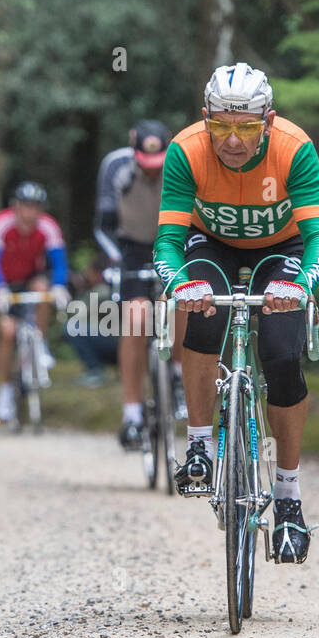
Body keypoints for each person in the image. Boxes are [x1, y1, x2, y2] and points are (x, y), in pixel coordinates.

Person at [154, 62, 319, 564]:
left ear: (269, 122)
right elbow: (168, 243)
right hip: (210, 244)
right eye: (221, 126)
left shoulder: (294, 149)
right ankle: (199, 446)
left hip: (282, 250)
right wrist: (179, 283)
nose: (232, 141)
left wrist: (298, 285)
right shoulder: (185, 150)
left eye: (247, 127)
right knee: (204, 312)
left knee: (280, 355)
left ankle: (289, 498)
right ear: (205, 117)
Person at [95, 119, 187, 450]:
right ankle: (132, 413)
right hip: (131, 250)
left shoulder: (181, 162)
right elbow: (103, 226)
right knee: (135, 319)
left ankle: (178, 376)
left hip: (172, 243)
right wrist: (116, 263)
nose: (152, 171)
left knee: (182, 302)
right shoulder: (116, 166)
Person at [0, 181, 71, 422]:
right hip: (6, 284)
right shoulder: (0, 224)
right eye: (25, 207)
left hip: (31, 279)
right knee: (7, 331)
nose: (30, 213)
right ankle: (4, 390)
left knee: (43, 289)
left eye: (35, 207)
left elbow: (59, 262)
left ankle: (39, 344)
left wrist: (60, 286)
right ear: (16, 207)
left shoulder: (48, 227)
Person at [64, 256, 118, 388]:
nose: (87, 276)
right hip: (118, 342)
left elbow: (76, 313)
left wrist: (80, 288)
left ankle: (95, 370)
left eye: (90, 272)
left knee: (72, 328)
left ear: (99, 274)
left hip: (117, 343)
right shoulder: (113, 289)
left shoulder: (102, 291)